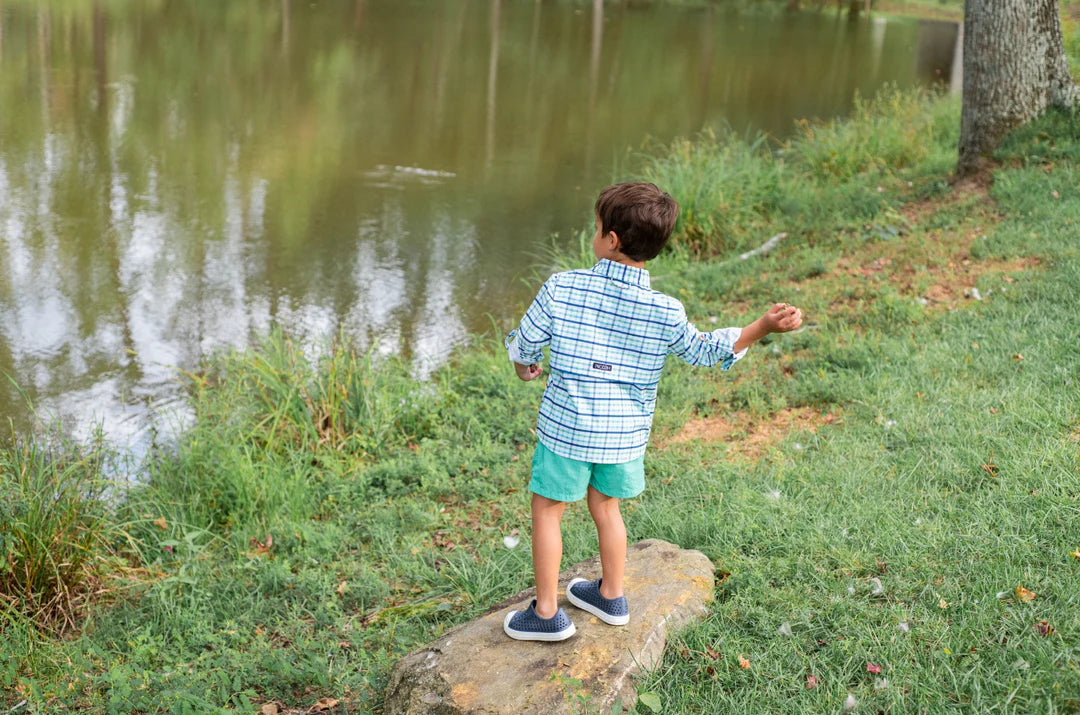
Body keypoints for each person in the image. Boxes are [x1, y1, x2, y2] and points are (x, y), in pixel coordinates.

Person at [502, 182, 803, 641]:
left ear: (612, 240)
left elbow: (526, 343)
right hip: (623, 438)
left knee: (547, 510)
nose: (595, 233)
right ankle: (611, 595)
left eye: (596, 226)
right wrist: (760, 326)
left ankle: (545, 615)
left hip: (566, 429)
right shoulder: (664, 310)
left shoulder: (562, 287)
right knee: (607, 508)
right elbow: (704, 350)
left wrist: (525, 364)